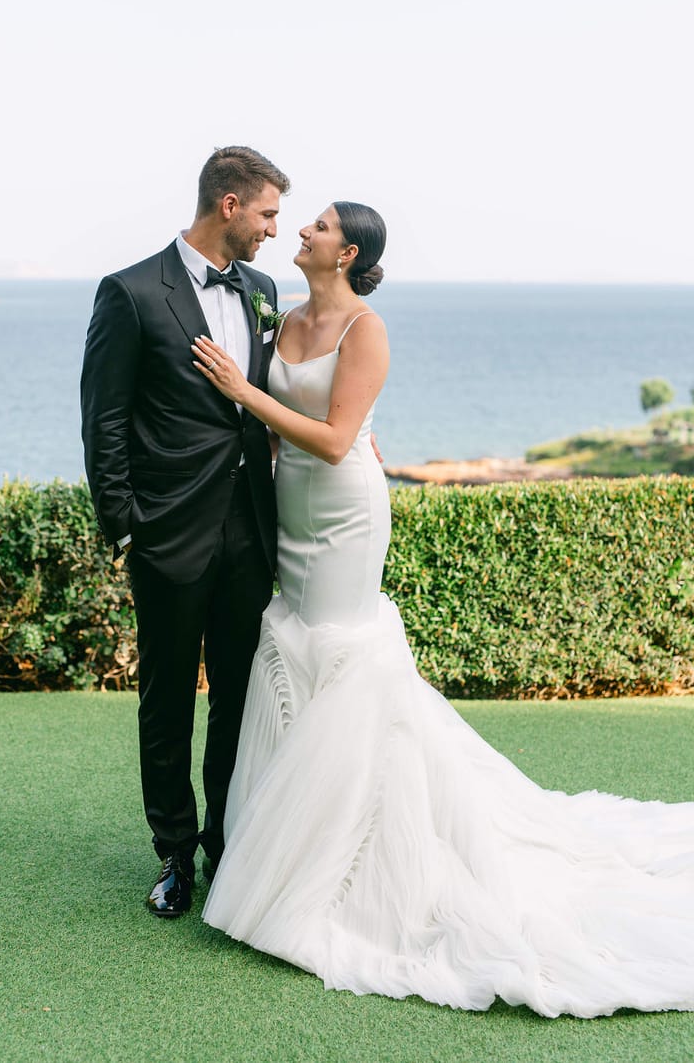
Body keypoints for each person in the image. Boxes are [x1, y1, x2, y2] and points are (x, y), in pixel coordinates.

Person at [192, 201, 694, 1019]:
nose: (301, 234)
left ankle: (357, 857)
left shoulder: (367, 330)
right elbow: (283, 442)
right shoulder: (281, 318)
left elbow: (332, 437)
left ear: (346, 251)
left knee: (341, 650)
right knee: (295, 652)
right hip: (288, 514)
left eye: (315, 225)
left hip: (346, 516)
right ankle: (292, 840)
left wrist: (242, 392)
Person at [81, 145, 290, 917]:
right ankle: (173, 853)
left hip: (251, 532)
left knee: (239, 697)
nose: (275, 230)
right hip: (167, 534)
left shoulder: (265, 290)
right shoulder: (131, 293)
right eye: (269, 212)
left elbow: (263, 404)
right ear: (229, 205)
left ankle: (224, 844)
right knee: (166, 699)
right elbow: (103, 423)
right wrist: (125, 530)